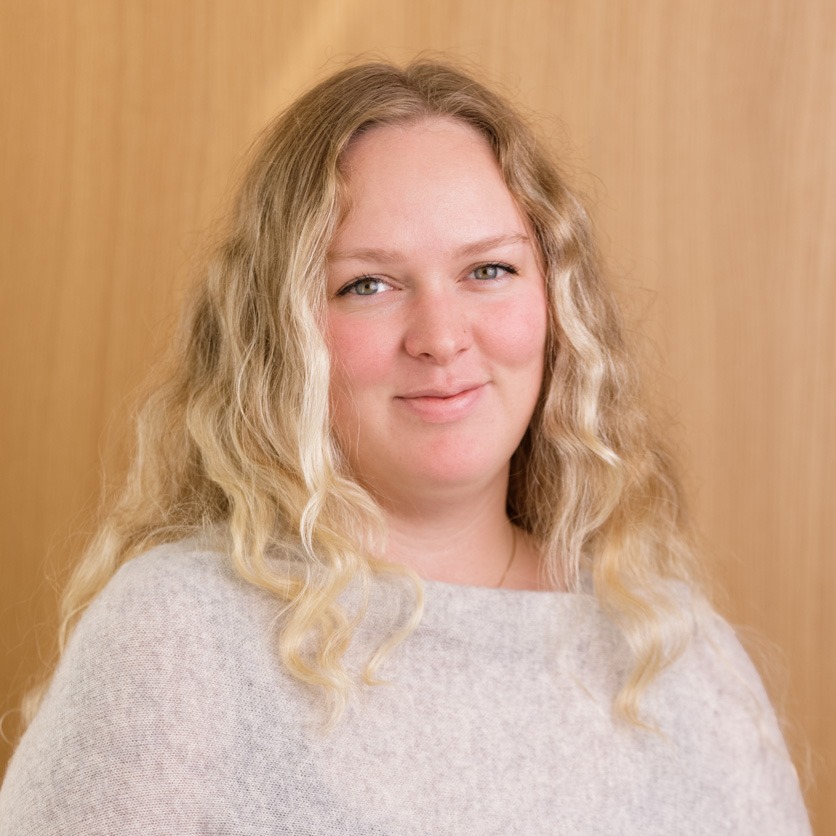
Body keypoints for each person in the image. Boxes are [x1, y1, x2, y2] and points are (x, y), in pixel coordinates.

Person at [0, 59, 810, 835]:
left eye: (488, 270)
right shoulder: (179, 637)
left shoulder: (673, 651)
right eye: (368, 285)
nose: (442, 337)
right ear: (280, 335)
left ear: (559, 305)